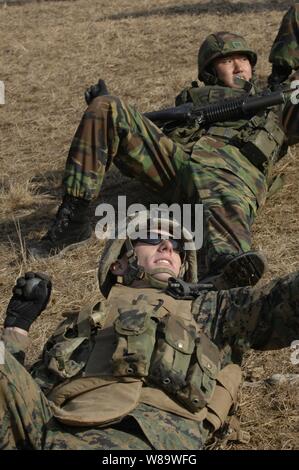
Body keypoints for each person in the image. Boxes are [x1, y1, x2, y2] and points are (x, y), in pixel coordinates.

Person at [27, 4, 299, 289]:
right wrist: (105, 116)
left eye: (244, 59)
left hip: (230, 174)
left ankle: (224, 266)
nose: (239, 65)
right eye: (227, 60)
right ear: (209, 71)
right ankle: (72, 221)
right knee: (106, 107)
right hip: (174, 165)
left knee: (215, 195)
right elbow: (136, 146)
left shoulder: (275, 104)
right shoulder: (185, 107)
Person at [1, 211, 299, 450]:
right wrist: (17, 329)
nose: (168, 246)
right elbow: (22, 395)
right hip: (50, 429)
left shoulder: (210, 309)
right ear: (119, 263)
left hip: (141, 438)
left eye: (177, 246)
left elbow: (282, 301)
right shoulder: (81, 323)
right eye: (153, 238)